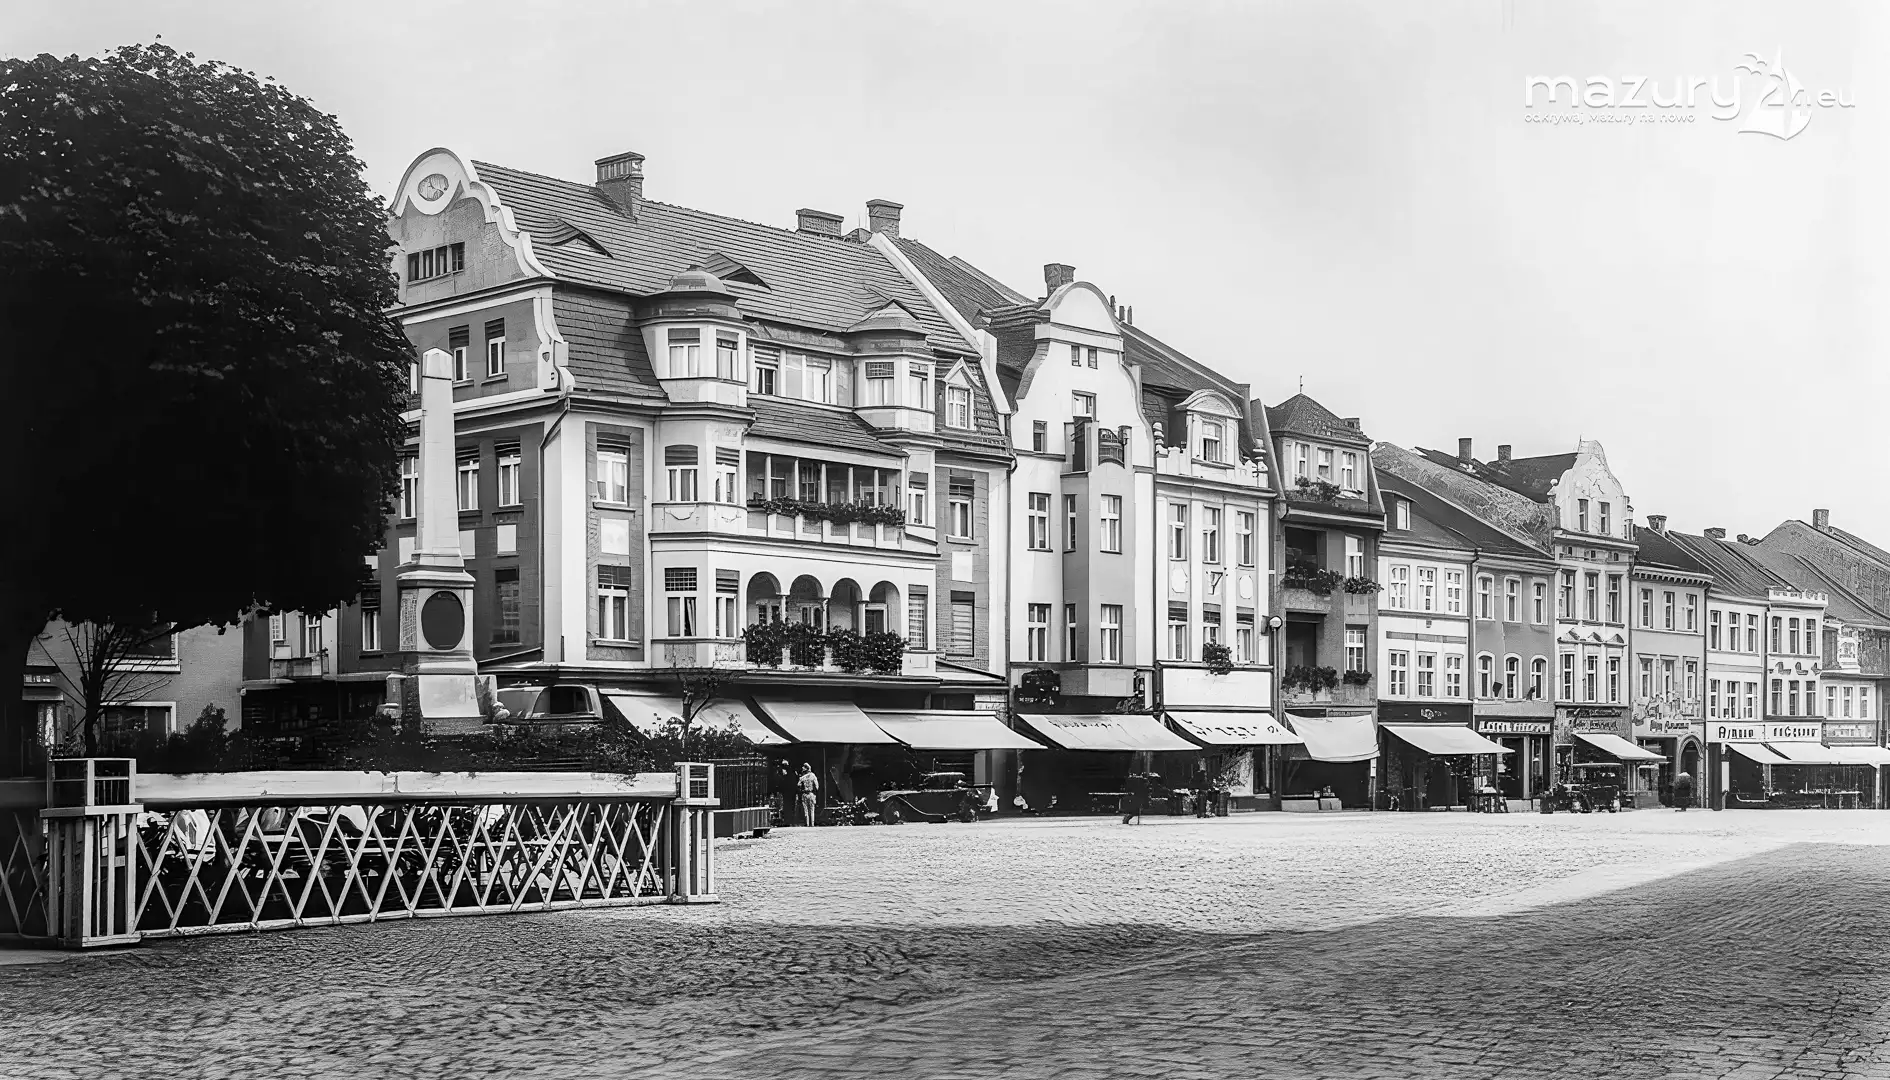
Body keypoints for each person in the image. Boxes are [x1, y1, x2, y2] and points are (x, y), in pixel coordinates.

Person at [795, 763, 819, 827]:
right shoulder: (813, 775)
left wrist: (802, 790)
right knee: (812, 809)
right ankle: (812, 824)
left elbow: (798, 785)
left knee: (806, 810)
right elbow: (817, 786)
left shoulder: (802, 777)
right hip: (811, 793)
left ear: (806, 768)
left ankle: (807, 824)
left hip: (805, 794)